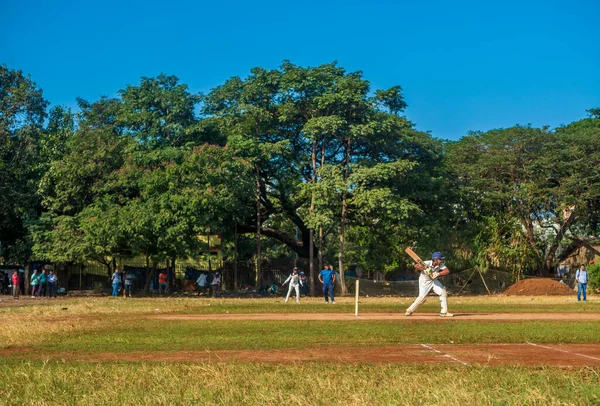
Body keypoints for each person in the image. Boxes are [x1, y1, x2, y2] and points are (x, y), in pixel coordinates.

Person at [405, 252, 453, 317]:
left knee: (443, 292)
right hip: (424, 280)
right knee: (421, 298)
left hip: (433, 280)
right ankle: (409, 310)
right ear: (435, 259)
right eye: (440, 259)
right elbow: (416, 265)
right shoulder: (427, 263)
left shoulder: (440, 264)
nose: (441, 261)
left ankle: (444, 312)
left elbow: (447, 271)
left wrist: (438, 274)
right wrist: (425, 269)